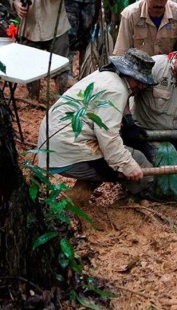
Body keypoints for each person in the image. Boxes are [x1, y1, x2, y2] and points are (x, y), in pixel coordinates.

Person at [37, 48, 158, 202]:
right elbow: (109, 138)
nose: (141, 87)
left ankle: (75, 199)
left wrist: (128, 121)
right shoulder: (116, 90)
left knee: (114, 159)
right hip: (67, 150)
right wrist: (129, 166)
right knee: (138, 160)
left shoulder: (106, 75)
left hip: (55, 143)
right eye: (139, 81)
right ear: (127, 74)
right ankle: (148, 197)